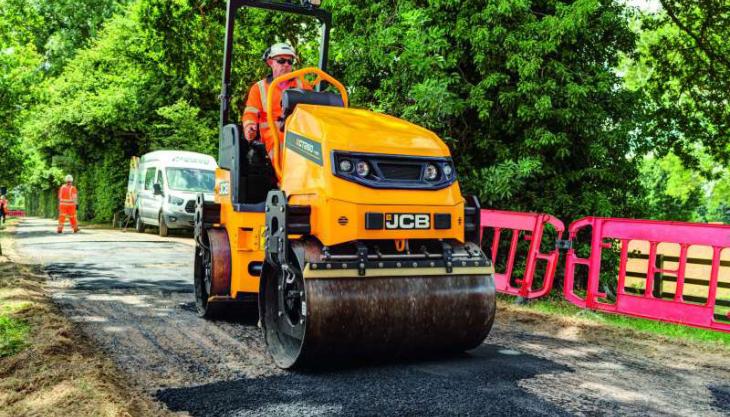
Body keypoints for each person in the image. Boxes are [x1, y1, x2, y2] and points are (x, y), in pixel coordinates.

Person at [242, 42, 312, 156]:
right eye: (281, 61)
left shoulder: (303, 85)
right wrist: (249, 126)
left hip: (300, 133)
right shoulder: (259, 88)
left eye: (290, 61)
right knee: (283, 143)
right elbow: (250, 113)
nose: (286, 65)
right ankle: (284, 174)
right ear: (270, 62)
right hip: (272, 135)